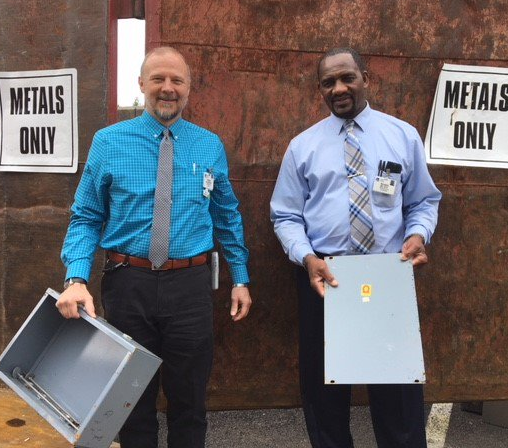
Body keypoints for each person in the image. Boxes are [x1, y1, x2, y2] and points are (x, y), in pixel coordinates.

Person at [57, 46, 252, 448]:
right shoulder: (108, 142)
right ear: (142, 84)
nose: (168, 88)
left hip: (190, 288)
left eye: (177, 80)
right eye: (158, 79)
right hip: (129, 286)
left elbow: (227, 216)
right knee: (130, 402)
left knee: (190, 402)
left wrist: (241, 278)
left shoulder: (209, 145)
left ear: (189, 88)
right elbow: (86, 216)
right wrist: (76, 277)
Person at [270, 47, 441, 448]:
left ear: (366, 78)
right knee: (325, 398)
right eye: (328, 82)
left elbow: (422, 201)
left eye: (347, 77)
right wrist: (307, 257)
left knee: (398, 398)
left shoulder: (401, 135)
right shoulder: (303, 147)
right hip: (326, 281)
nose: (339, 88)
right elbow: (285, 215)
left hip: (387, 278)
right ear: (320, 90)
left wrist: (418, 234)